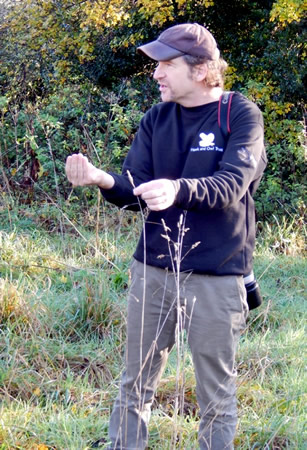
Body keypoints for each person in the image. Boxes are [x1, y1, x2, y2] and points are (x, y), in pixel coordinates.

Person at [65, 23, 267, 450]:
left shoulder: (240, 115)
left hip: (217, 276)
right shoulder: (157, 117)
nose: (156, 74)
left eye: (166, 64)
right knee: (134, 381)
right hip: (152, 270)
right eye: (157, 65)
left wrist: (177, 188)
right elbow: (136, 191)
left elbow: (231, 185)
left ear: (200, 70)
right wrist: (103, 180)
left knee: (216, 394)